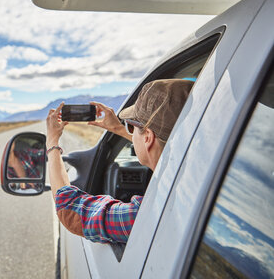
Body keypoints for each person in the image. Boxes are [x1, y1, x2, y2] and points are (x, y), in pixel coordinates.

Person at [45, 79, 194, 243]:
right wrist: (119, 129)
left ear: (148, 137)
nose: (130, 131)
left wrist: (52, 143)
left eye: (132, 126)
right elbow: (158, 144)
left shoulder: (152, 213)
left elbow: (70, 209)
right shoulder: (198, 176)